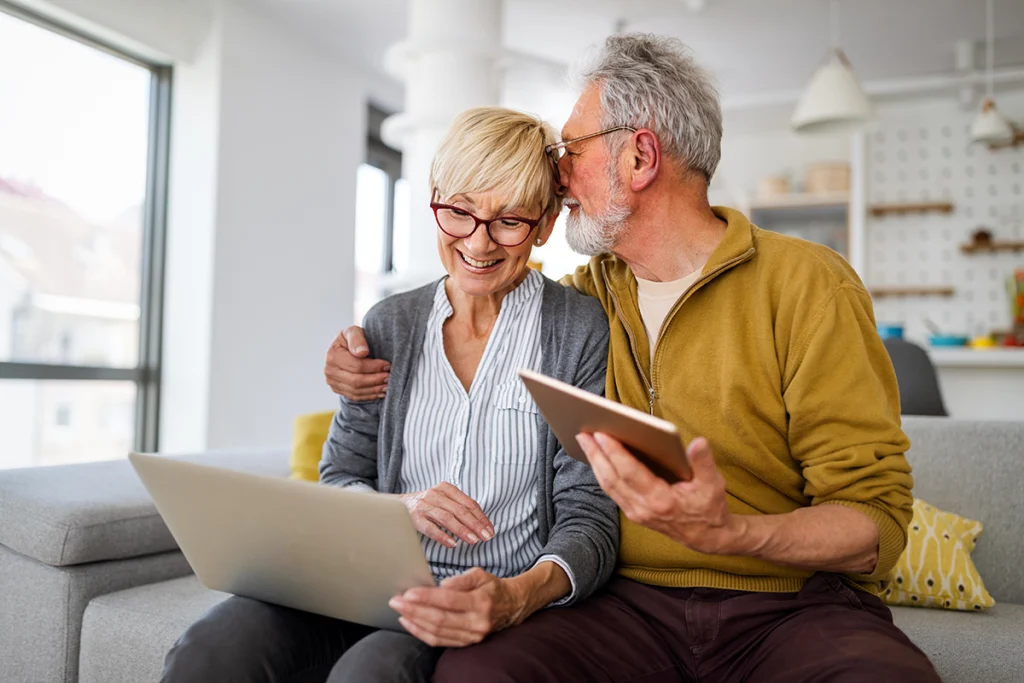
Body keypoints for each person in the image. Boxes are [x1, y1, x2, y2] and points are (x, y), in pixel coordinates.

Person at [324, 34, 941, 683]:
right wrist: (353, 366)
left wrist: (730, 531)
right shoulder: (585, 302)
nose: (559, 175)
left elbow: (876, 523)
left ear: (640, 155)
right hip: (623, 605)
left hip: (791, 606)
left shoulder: (809, 285)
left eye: (572, 150)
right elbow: (480, 309)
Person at [159, 106, 618, 683]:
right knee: (212, 649)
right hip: (364, 582)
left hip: (479, 597)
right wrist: (402, 506)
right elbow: (340, 476)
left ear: (545, 224)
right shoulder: (389, 325)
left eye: (509, 221)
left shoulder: (578, 331)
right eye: (459, 212)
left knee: (371, 672)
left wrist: (515, 595)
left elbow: (589, 515)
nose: (479, 242)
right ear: (434, 201)